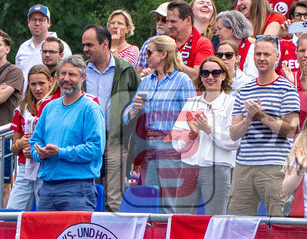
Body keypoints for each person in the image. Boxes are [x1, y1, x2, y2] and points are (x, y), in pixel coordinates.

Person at [123, 35, 196, 213]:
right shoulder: (146, 81)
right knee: (151, 202)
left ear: (163, 54)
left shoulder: (182, 80)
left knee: (170, 203)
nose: (145, 56)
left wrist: (174, 141)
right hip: (147, 146)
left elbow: (191, 118)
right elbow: (126, 116)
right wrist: (134, 109)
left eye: (149, 52)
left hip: (169, 146)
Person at [228, 36, 300, 216]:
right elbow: (233, 134)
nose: (261, 58)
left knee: (279, 219)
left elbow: (290, 130)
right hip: (244, 165)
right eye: (258, 54)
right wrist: (248, 119)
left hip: (275, 166)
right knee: (237, 221)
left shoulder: (288, 89)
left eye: (267, 54)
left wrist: (260, 116)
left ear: (277, 56)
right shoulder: (244, 90)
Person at [29, 56, 105, 212]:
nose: (66, 78)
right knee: (45, 236)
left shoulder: (91, 109)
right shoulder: (49, 107)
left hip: (78, 189)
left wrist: (60, 153)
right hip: (47, 189)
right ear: (56, 77)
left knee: (76, 236)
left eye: (72, 75)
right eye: (62, 74)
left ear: (83, 78)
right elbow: (34, 142)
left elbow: (96, 148)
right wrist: (40, 154)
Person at [170, 56, 239, 215]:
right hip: (188, 167)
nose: (210, 77)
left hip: (217, 168)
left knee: (216, 221)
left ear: (223, 76)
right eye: (205, 73)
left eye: (215, 73)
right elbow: (176, 141)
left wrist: (208, 130)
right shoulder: (191, 102)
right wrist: (193, 134)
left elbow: (233, 141)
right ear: (200, 76)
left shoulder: (232, 103)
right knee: (181, 219)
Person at [82, 24, 139, 211]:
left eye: (90, 45)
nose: (85, 49)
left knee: (114, 197)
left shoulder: (126, 70)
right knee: (89, 192)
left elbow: (138, 104)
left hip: (117, 139)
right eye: (84, 45)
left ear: (105, 44)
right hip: (88, 139)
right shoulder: (80, 71)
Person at [8, 65, 54, 211]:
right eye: (33, 84)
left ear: (51, 82)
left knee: (44, 214)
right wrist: (20, 144)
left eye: (42, 83)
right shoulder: (22, 108)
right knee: (12, 211)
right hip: (24, 168)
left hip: (46, 167)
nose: (37, 88)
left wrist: (36, 150)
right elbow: (14, 149)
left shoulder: (56, 106)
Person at [15, 4, 71, 85]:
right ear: (28, 22)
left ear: (48, 23)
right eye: (33, 20)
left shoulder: (62, 46)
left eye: (41, 20)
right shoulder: (23, 48)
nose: (37, 23)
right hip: (26, 97)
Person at [166, 0, 213, 81]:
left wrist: (174, 63)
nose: (169, 26)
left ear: (188, 20)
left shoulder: (203, 43)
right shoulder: (167, 41)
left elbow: (199, 75)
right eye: (167, 21)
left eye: (173, 21)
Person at [214, 9, 256, 78]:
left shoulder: (252, 52)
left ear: (232, 30)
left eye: (219, 29)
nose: (217, 33)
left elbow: (252, 80)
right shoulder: (220, 50)